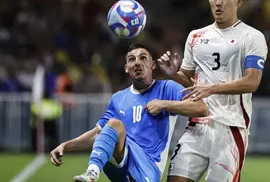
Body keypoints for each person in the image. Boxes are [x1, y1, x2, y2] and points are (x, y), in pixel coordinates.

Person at [158, 0, 268, 181]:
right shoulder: (196, 36)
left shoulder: (253, 37)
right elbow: (191, 84)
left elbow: (252, 82)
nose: (218, 2)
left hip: (231, 128)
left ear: (239, 0)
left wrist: (212, 88)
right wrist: (174, 74)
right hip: (197, 126)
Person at [49, 43, 209, 182]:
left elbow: (201, 109)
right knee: (112, 126)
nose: (137, 63)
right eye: (132, 59)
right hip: (121, 164)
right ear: (126, 68)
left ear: (153, 65)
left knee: (114, 125)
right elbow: (97, 135)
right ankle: (92, 172)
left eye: (143, 58)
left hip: (148, 167)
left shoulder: (167, 88)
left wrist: (164, 105)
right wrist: (65, 146)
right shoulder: (118, 98)